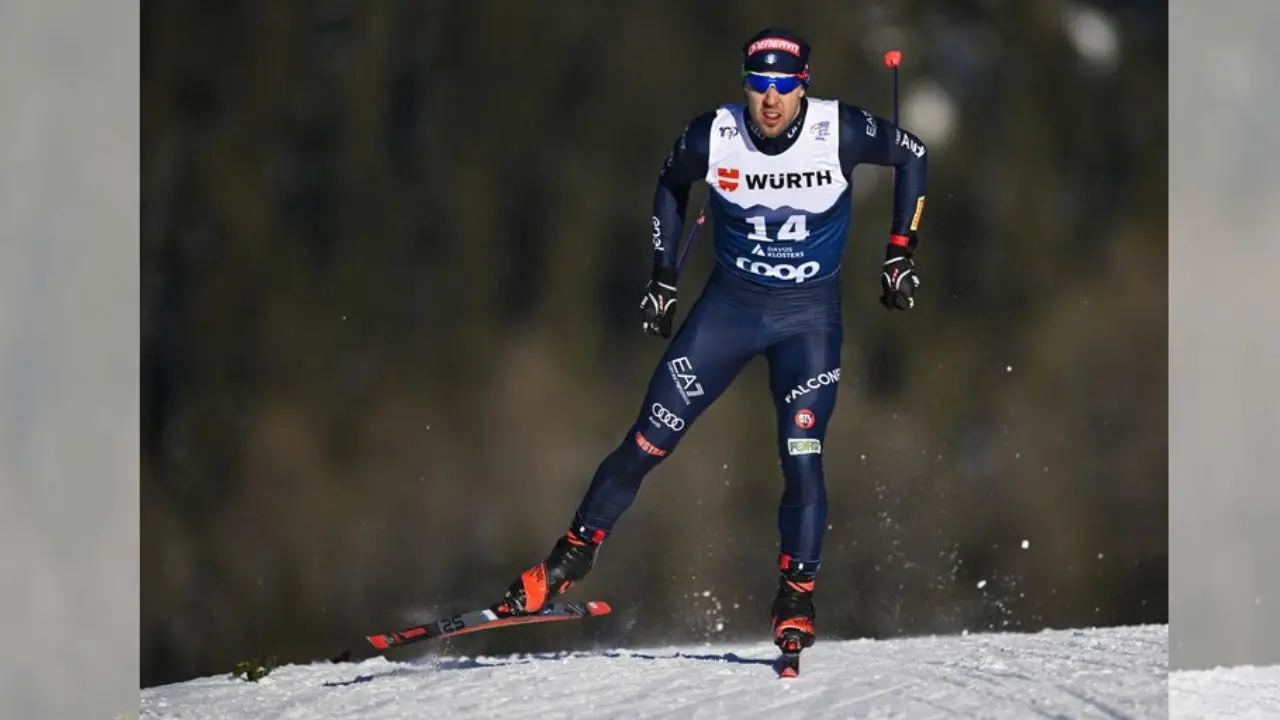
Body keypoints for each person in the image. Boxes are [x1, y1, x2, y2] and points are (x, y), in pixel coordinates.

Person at [495, 27, 928, 656]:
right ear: (745, 88)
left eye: (784, 86)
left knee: (802, 452)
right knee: (647, 440)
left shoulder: (843, 129)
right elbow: (671, 184)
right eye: (759, 86)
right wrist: (662, 277)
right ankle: (566, 561)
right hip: (728, 313)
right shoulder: (713, 134)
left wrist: (898, 254)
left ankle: (796, 598)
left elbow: (912, 154)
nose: (771, 100)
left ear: (803, 86)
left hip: (808, 319)